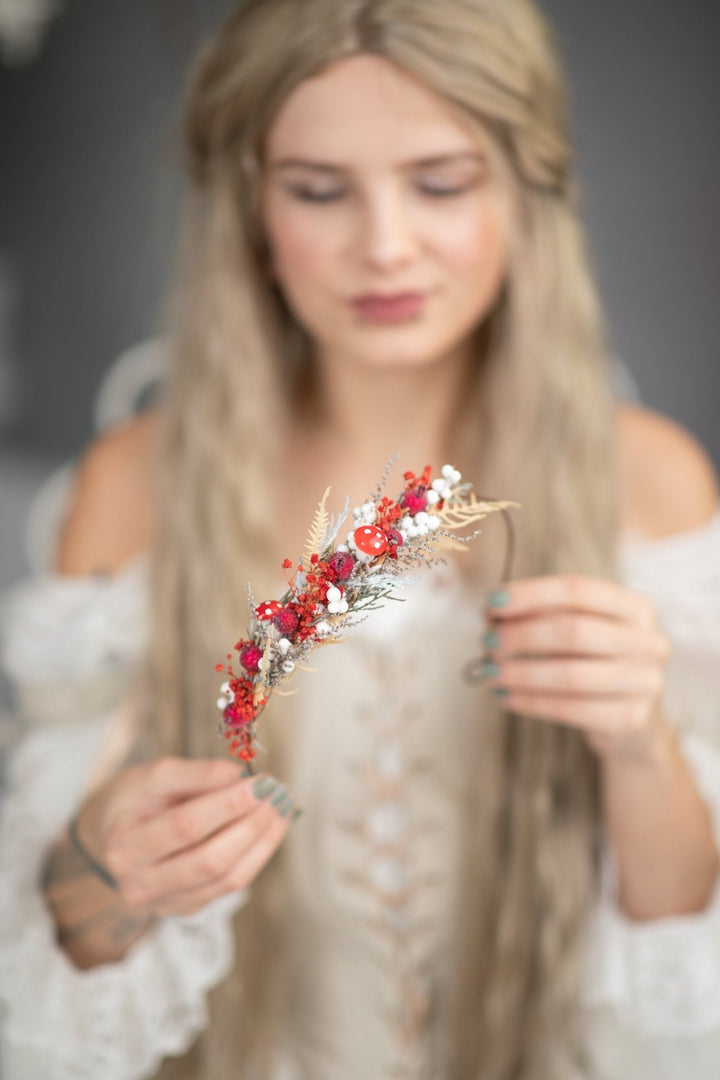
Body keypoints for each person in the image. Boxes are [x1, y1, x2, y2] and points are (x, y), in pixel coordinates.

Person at [1, 1, 720, 1077]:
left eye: (441, 182)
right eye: (319, 190)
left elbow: (682, 975)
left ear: (528, 189)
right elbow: (68, 947)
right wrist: (111, 865)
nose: (385, 246)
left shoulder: (650, 481)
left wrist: (635, 743)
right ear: (249, 205)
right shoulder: (134, 489)